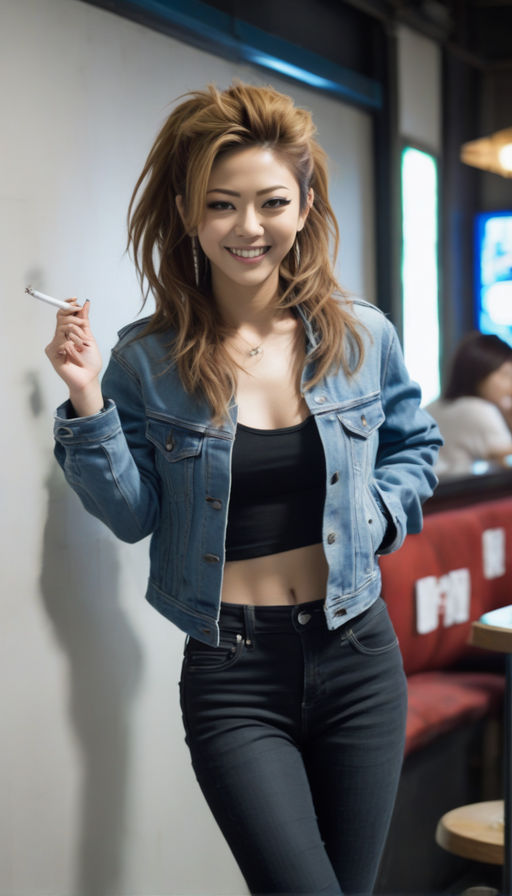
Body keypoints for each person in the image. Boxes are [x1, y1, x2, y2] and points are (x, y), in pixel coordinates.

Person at [45, 82, 441, 895]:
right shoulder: (143, 359)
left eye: (270, 202)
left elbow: (416, 447)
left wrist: (377, 512)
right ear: (190, 215)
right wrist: (87, 396)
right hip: (234, 674)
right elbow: (131, 516)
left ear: (304, 208)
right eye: (222, 205)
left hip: (360, 655)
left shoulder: (361, 335)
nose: (248, 227)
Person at [426, 331, 512, 478]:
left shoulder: (432, 407)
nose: (510, 384)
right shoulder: (478, 409)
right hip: (462, 497)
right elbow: (507, 459)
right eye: (506, 375)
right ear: (479, 374)